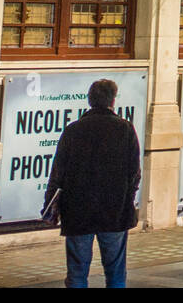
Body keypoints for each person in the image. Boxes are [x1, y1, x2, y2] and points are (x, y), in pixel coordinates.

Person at [44, 78, 142, 288]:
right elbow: (134, 173)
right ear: (112, 101)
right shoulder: (125, 130)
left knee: (77, 273)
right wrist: (127, 200)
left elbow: (58, 173)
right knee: (115, 273)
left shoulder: (73, 130)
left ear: (89, 101)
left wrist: (50, 206)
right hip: (114, 210)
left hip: (78, 211)